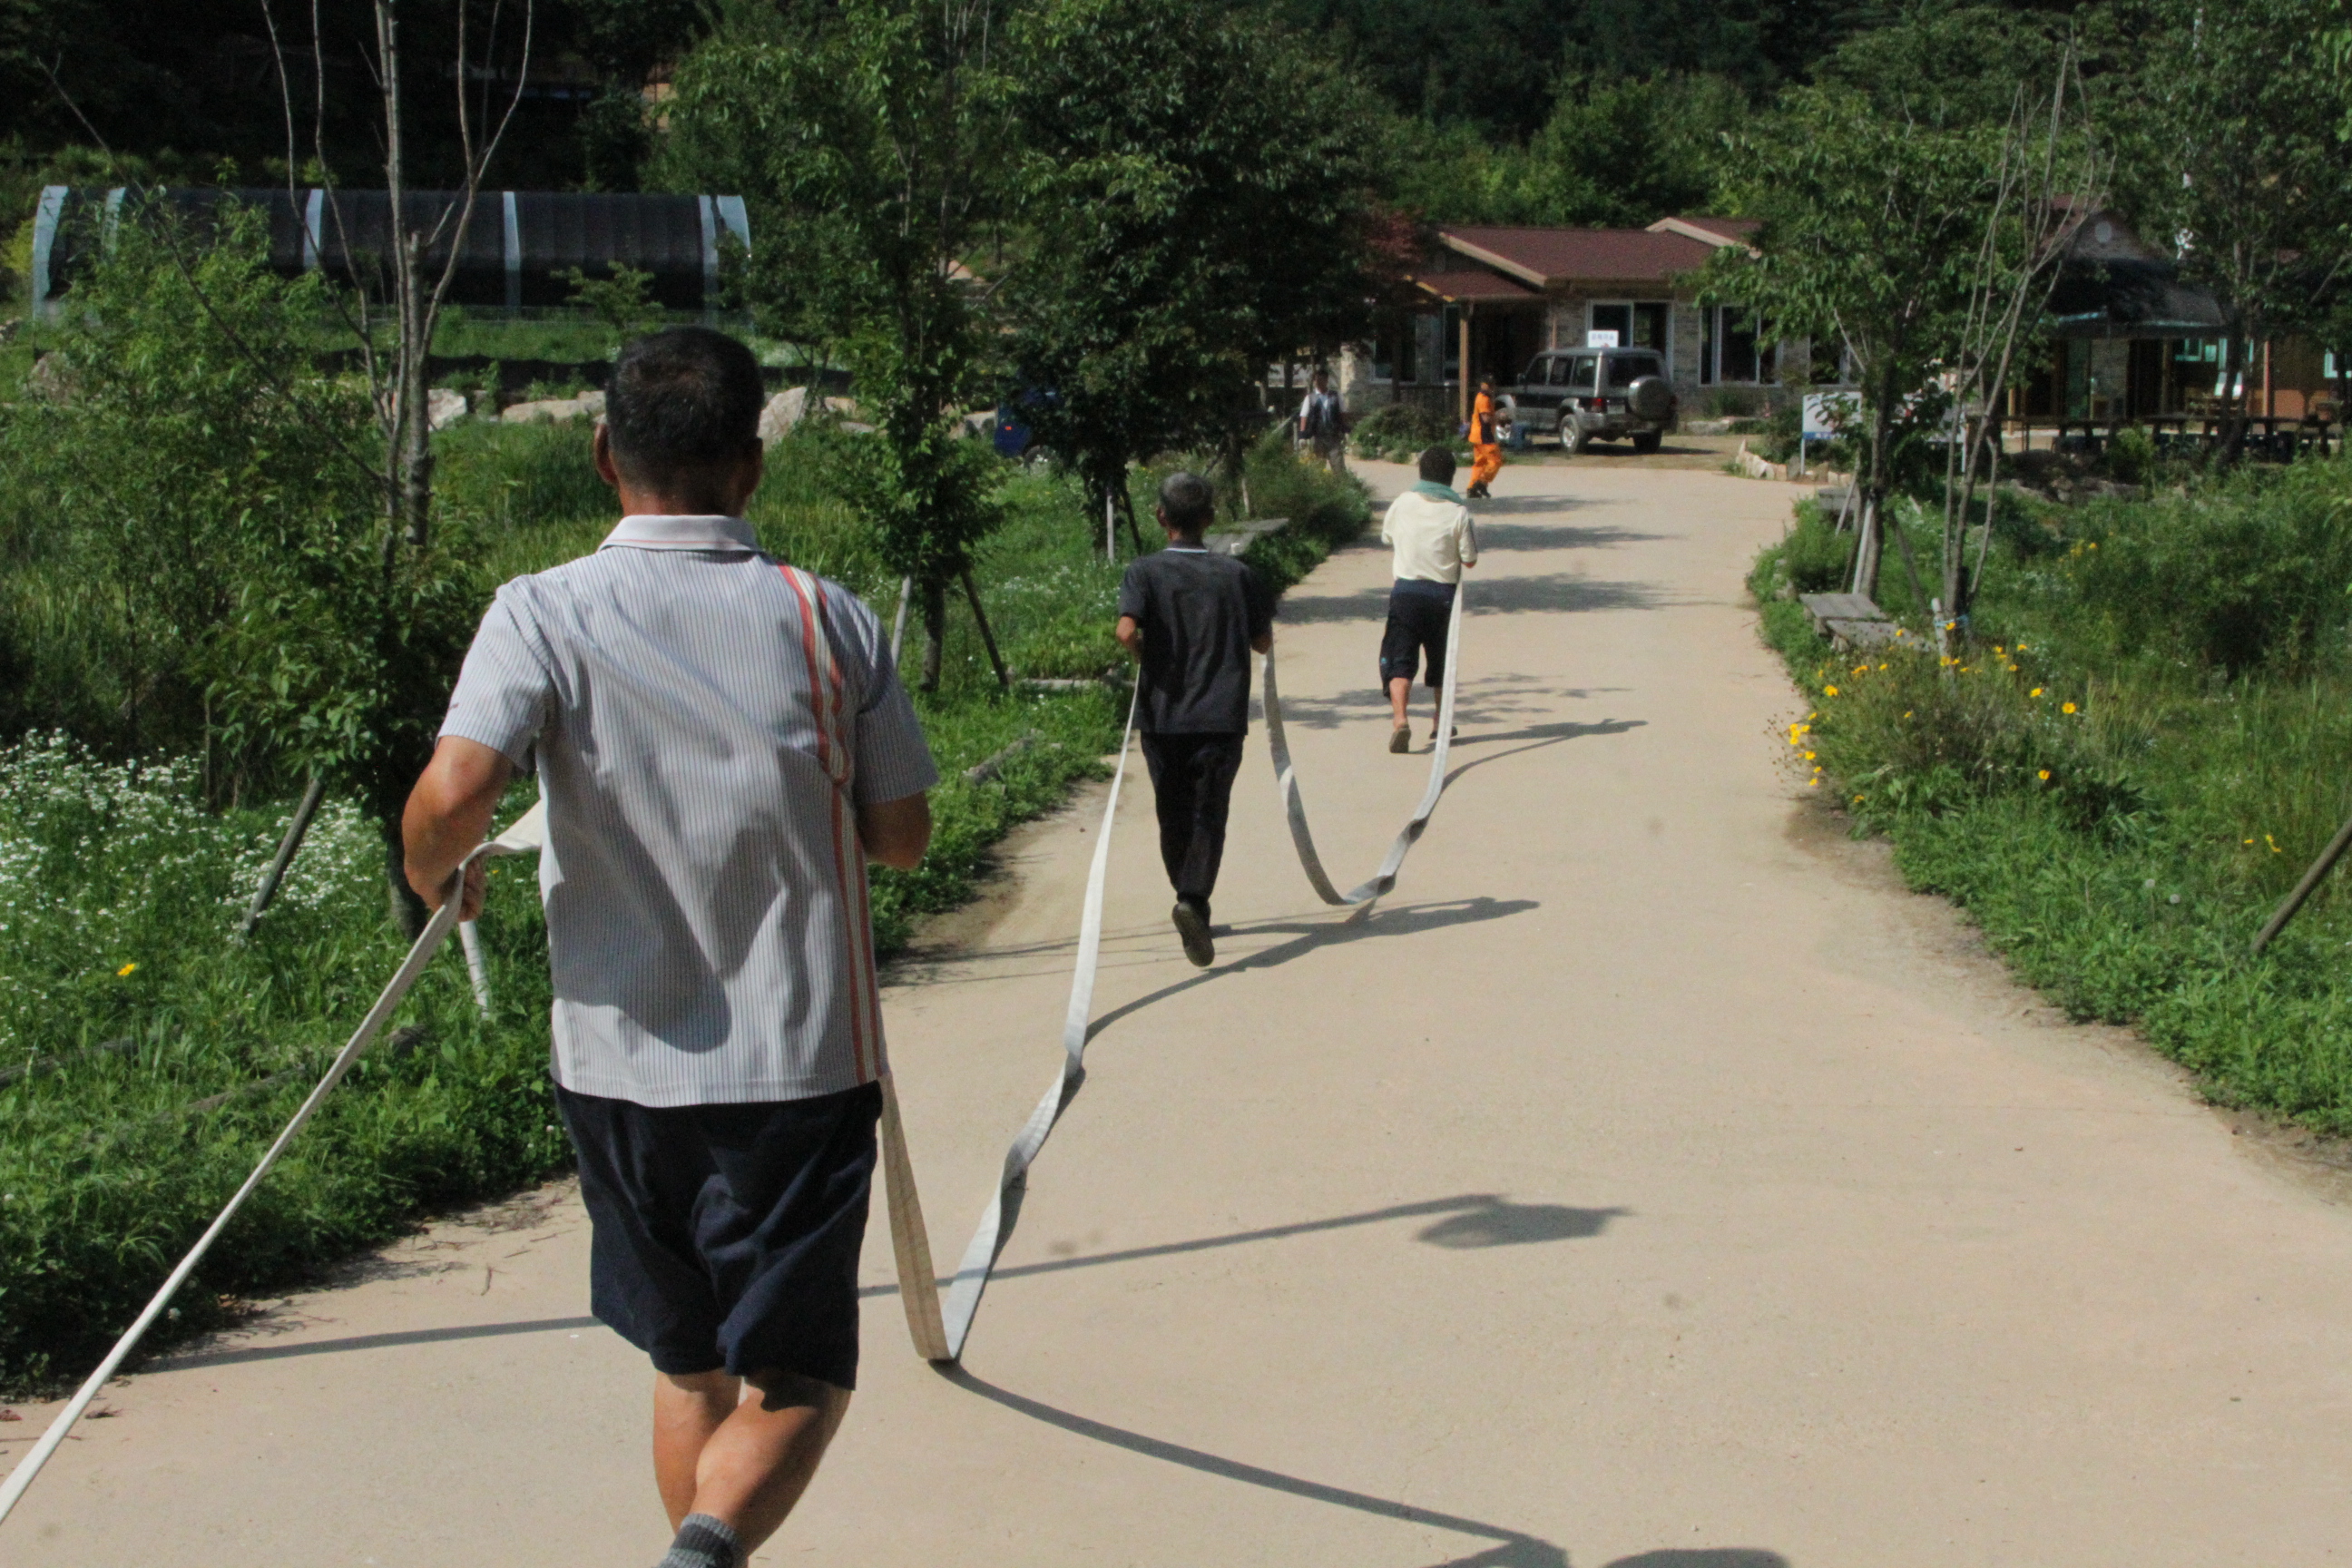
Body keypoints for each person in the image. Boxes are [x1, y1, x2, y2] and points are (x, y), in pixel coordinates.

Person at [401, 326, 938, 1568]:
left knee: (687, 1360)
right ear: (753, 464)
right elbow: (902, 838)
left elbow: (456, 790)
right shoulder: (826, 617)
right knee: (798, 1375)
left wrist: (434, 876)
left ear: (602, 453)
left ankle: (696, 1550)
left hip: (615, 1070)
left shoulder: (538, 612)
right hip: (798, 1068)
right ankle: (706, 1549)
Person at [1114, 471, 1275, 968]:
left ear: (1160, 516)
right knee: (1210, 813)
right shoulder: (1238, 575)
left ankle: (1188, 898)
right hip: (1221, 717)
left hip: (1163, 716)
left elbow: (1125, 632)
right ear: (1209, 518)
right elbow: (1262, 642)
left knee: (1173, 812)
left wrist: (1145, 657)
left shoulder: (1143, 572)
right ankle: (1193, 900)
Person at [1378, 446, 1479, 752]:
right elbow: (1470, 560)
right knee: (1441, 662)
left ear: (1421, 471)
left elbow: (1387, 537)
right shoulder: (1459, 512)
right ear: (1451, 477)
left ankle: (1400, 720)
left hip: (1405, 594)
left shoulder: (1402, 503)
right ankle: (1440, 721)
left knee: (1400, 659)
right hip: (1442, 598)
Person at [1298, 368, 1348, 475]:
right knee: (1318, 467)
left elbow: (1342, 413)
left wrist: (1345, 430)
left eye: (1321, 379)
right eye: (1316, 380)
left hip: (1333, 436)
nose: (1318, 382)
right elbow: (1304, 416)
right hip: (1317, 437)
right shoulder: (1310, 398)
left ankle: (1341, 484)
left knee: (1339, 467)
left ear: (1326, 380)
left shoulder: (1335, 396)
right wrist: (1302, 435)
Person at [1465, 377, 1504, 499]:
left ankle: (1472, 488)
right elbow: (1486, 419)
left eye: (1492, 384)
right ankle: (1481, 483)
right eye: (1488, 384)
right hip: (1484, 436)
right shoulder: (1484, 399)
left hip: (1477, 435)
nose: (1491, 387)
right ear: (1482, 385)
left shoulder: (1481, 396)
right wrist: (1499, 418)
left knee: (1480, 463)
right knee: (1496, 461)